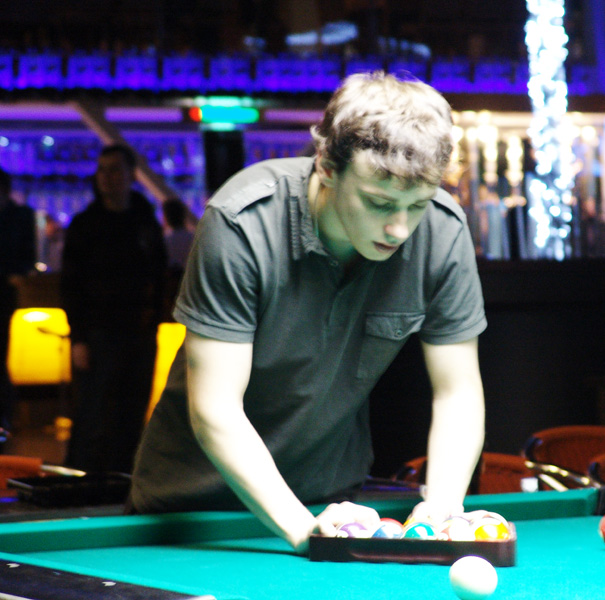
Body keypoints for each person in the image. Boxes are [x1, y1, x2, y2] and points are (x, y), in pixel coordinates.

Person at [130, 72, 487, 554]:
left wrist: (442, 507)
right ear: (326, 166)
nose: (400, 228)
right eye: (379, 202)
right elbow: (215, 408)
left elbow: (457, 392)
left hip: (331, 502)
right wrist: (303, 529)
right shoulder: (242, 223)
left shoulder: (442, 231)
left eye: (417, 204)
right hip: (190, 514)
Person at [61, 144, 167, 473]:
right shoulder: (87, 224)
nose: (106, 177)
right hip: (100, 333)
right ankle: (85, 481)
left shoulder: (143, 222)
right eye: (102, 170)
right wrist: (79, 337)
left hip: (136, 331)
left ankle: (119, 481)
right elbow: (72, 285)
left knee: (129, 415)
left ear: (130, 175)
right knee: (93, 416)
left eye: (114, 170)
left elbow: (159, 275)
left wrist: (153, 323)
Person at [0, 167, 36, 437]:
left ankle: (5, 417)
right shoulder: (22, 215)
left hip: (4, 294)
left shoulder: (21, 216)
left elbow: (26, 259)